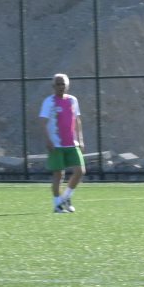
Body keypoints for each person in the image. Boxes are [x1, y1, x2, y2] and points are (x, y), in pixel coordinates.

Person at [39, 74, 85, 213]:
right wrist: (47, 139)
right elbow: (42, 122)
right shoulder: (49, 102)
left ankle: (66, 197)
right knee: (58, 175)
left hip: (72, 143)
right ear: (53, 86)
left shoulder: (73, 100)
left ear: (67, 85)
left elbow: (77, 120)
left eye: (63, 84)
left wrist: (81, 139)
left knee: (80, 171)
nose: (60, 87)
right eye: (58, 84)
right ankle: (57, 205)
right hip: (56, 144)